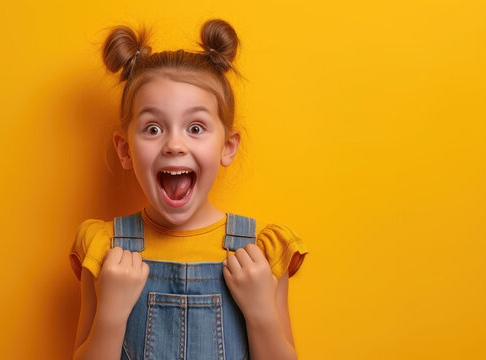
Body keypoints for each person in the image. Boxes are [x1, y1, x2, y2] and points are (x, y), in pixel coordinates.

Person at [69, 18, 308, 360]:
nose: (174, 145)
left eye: (195, 127)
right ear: (125, 150)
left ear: (227, 146)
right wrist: (110, 314)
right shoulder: (103, 249)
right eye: (153, 129)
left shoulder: (263, 254)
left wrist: (261, 313)